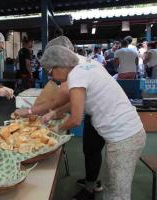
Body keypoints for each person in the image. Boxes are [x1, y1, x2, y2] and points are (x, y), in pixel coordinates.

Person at [40, 44, 146, 200]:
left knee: (117, 193)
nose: (52, 78)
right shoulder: (85, 63)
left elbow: (76, 119)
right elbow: (78, 101)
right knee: (112, 183)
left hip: (124, 138)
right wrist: (55, 113)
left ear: (59, 65)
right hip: (128, 133)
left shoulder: (76, 75)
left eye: (50, 72)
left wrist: (53, 131)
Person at [13, 36, 105, 200]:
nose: (52, 75)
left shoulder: (76, 72)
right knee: (91, 149)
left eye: (52, 67)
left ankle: (91, 187)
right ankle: (91, 182)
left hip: (112, 123)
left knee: (97, 155)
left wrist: (43, 120)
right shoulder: (81, 64)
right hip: (98, 115)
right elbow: (69, 103)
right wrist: (52, 114)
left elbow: (65, 108)